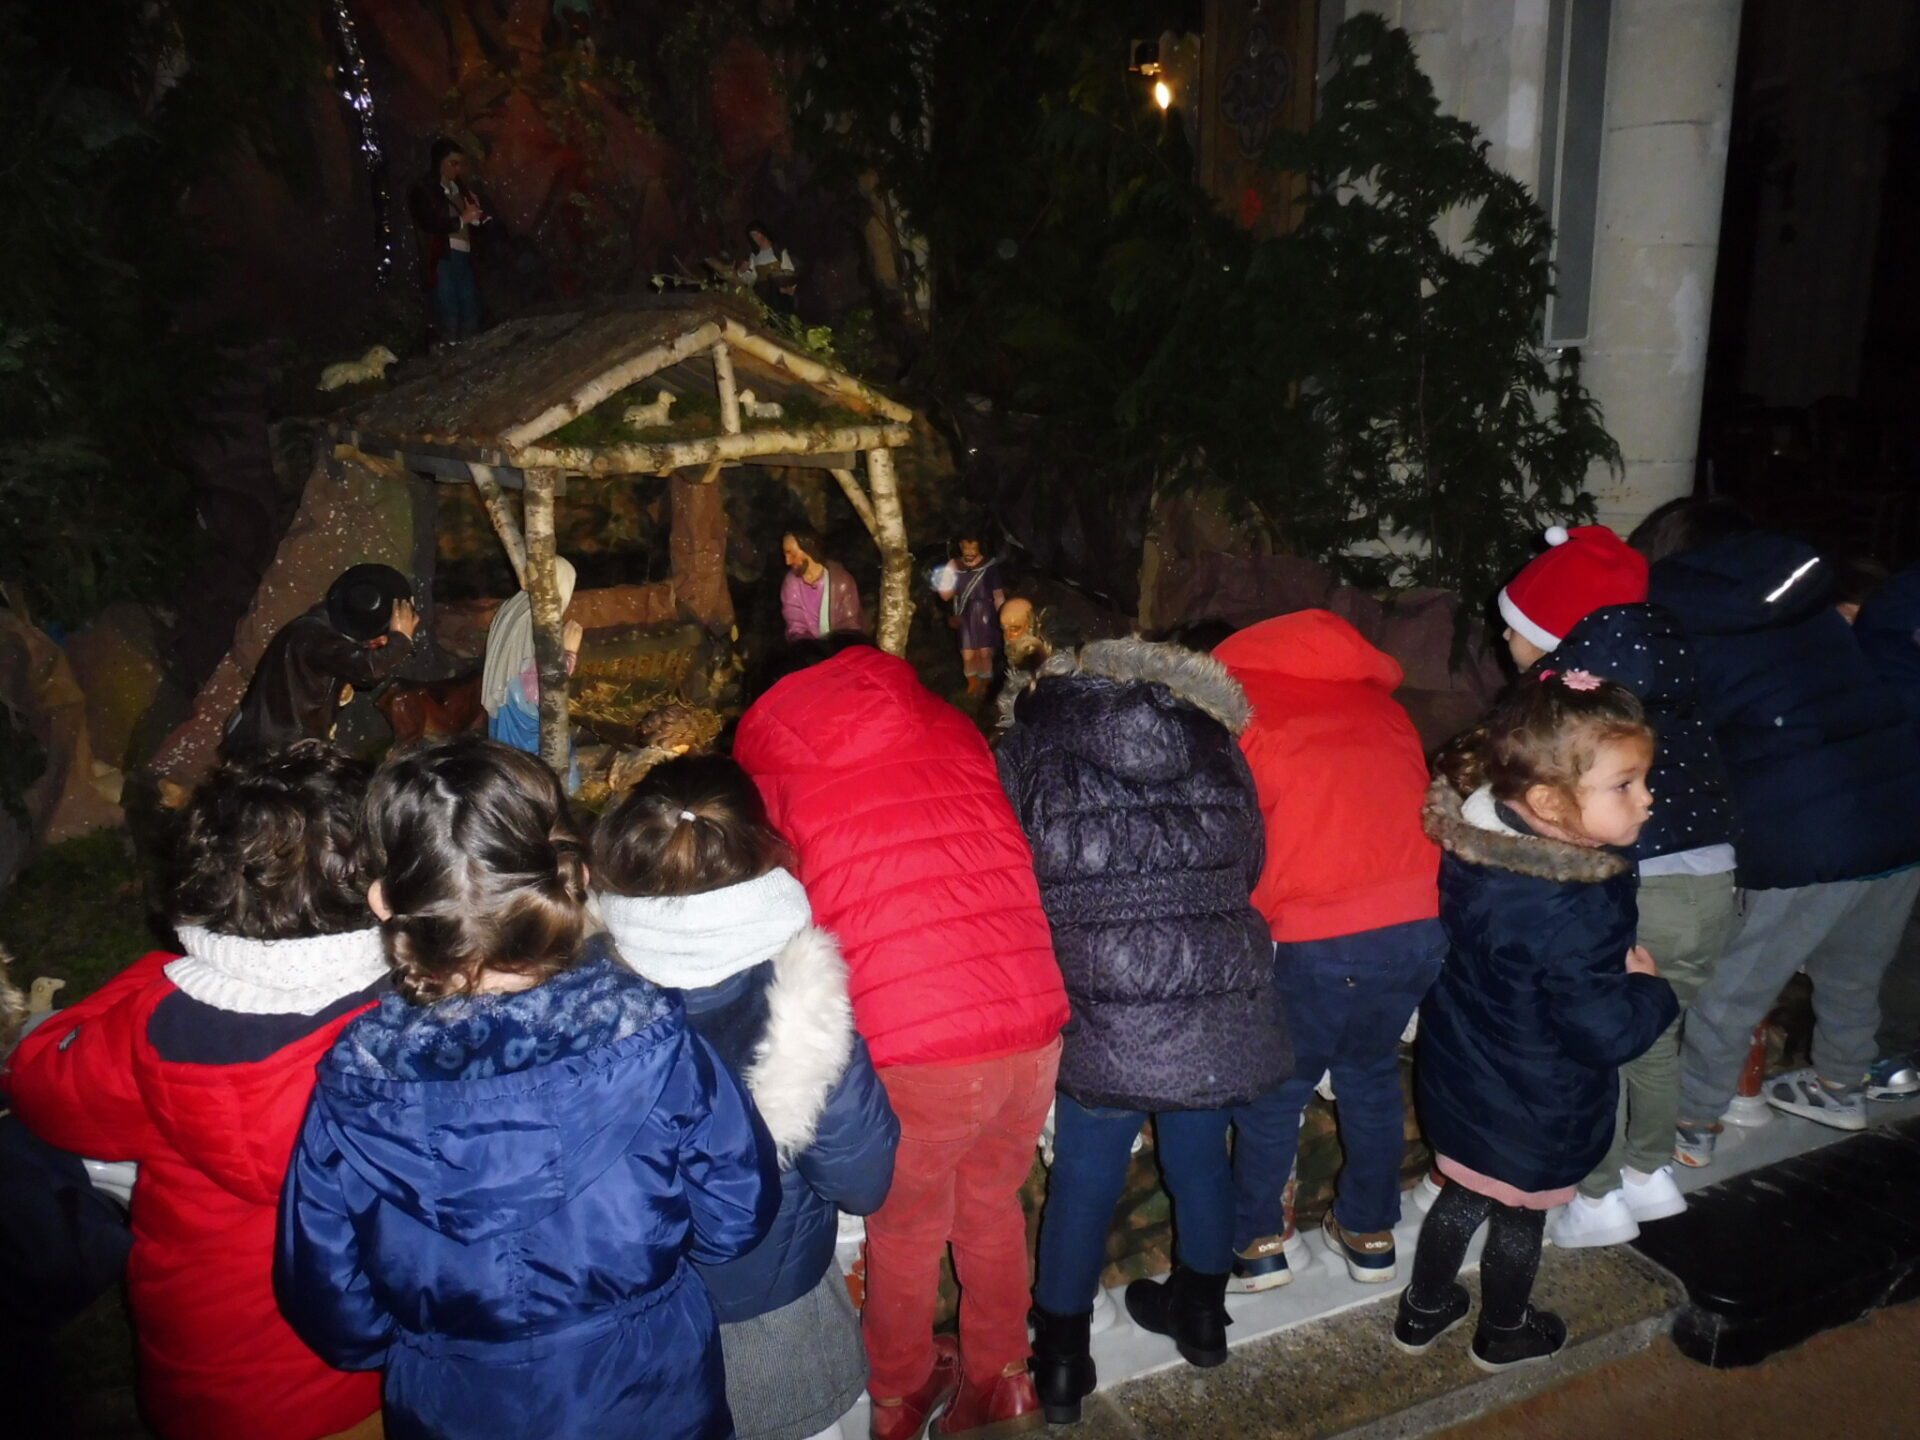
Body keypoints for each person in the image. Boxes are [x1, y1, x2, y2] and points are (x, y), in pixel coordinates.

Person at [277, 737, 780, 1440]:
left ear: (384, 901)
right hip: (651, 1387)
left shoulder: (354, 1087)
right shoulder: (654, 1041)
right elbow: (736, 1216)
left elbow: (335, 1309)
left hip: (453, 1404)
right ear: (569, 877)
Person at [733, 637, 1068, 1440]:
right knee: (991, 1207)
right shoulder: (949, 725)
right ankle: (1004, 1378)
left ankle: (899, 1391)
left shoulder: (770, 761)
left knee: (906, 1229)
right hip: (1028, 1012)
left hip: (916, 1033)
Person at [4, 743, 388, 1440]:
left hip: (214, 1386)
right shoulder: (418, 1021)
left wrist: (149, 978)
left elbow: (39, 1087)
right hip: (378, 1373)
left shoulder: (147, 1023)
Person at [995, 635, 1289, 1420]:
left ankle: (1062, 1362)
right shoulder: (1212, 737)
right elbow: (1250, 858)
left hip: (1100, 989)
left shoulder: (1027, 746)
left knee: (1084, 1177)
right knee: (1201, 1163)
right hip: (1209, 981)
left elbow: (1013, 870)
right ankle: (1202, 1317)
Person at [594, 755, 900, 1440]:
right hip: (773, 1312)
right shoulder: (803, 1000)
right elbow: (863, 1179)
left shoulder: (577, 988)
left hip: (629, 1323)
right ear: (761, 848)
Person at [1397, 671, 1677, 1371]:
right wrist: (1651, 992)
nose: (1648, 798)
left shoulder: (1479, 847)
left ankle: (1424, 1309)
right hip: (1539, 1102)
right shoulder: (1575, 904)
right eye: (1625, 784)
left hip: (1465, 1078)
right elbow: (1600, 1031)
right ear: (1550, 802)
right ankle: (1504, 1330)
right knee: (1520, 1215)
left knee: (1465, 1192)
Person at [1637, 505, 1920, 1162]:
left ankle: (1693, 1120)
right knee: (1855, 970)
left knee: (1733, 988)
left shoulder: (1682, 620)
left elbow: (1681, 733)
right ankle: (1841, 1085)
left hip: (1810, 834)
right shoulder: (1803, 605)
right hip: (1901, 812)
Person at [1494, 525, 1738, 1248]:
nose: (1503, 638)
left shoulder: (1573, 713)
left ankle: (1595, 1198)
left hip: (1632, 887)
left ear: (1554, 636)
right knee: (1653, 1034)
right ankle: (1649, 1173)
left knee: (1593, 1047)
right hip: (1712, 881)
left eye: (1515, 624)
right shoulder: (1672, 677)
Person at [1210, 610, 1444, 1289]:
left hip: (1315, 935)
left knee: (1278, 1092)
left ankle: (1258, 1241)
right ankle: (1369, 1231)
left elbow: (1236, 839)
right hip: (1419, 927)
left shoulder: (1245, 714)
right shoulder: (1387, 711)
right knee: (1369, 1074)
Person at [223, 563, 419, 759]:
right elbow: (369, 671)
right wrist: (401, 641)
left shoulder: (324, 629)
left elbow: (360, 674)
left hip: (277, 737)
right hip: (267, 745)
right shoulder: (314, 637)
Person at [1849, 562, 1920, 1099]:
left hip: (1891, 827)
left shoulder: (1879, 653)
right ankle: (1889, 1057)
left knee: (1891, 949)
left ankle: (1885, 1058)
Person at [481, 556, 583, 760]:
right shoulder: (541, 619)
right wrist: (569, 655)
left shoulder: (515, 605)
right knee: (552, 755)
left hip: (502, 700)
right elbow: (539, 687)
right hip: (522, 710)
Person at [410, 137, 486, 343]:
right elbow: (429, 222)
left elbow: (474, 224)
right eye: (453, 163)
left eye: (460, 164)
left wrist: (475, 216)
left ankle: (470, 350)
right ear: (439, 162)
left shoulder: (459, 189)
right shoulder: (424, 189)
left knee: (470, 306)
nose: (458, 169)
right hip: (442, 255)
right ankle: (448, 349)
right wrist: (462, 219)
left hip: (464, 254)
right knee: (448, 307)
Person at [935, 533, 1007, 698]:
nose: (969, 552)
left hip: (985, 614)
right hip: (964, 614)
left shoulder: (989, 565)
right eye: (966, 548)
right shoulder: (954, 565)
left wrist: (1003, 614)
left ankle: (985, 683)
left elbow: (998, 594)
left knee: (984, 653)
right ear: (961, 546)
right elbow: (945, 595)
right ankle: (972, 683)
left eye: (973, 547)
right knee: (968, 654)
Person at [780, 529, 865, 640]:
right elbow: (795, 622)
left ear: (809, 549)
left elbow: (851, 624)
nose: (788, 561)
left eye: (792, 554)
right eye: (785, 554)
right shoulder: (791, 583)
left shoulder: (841, 582)